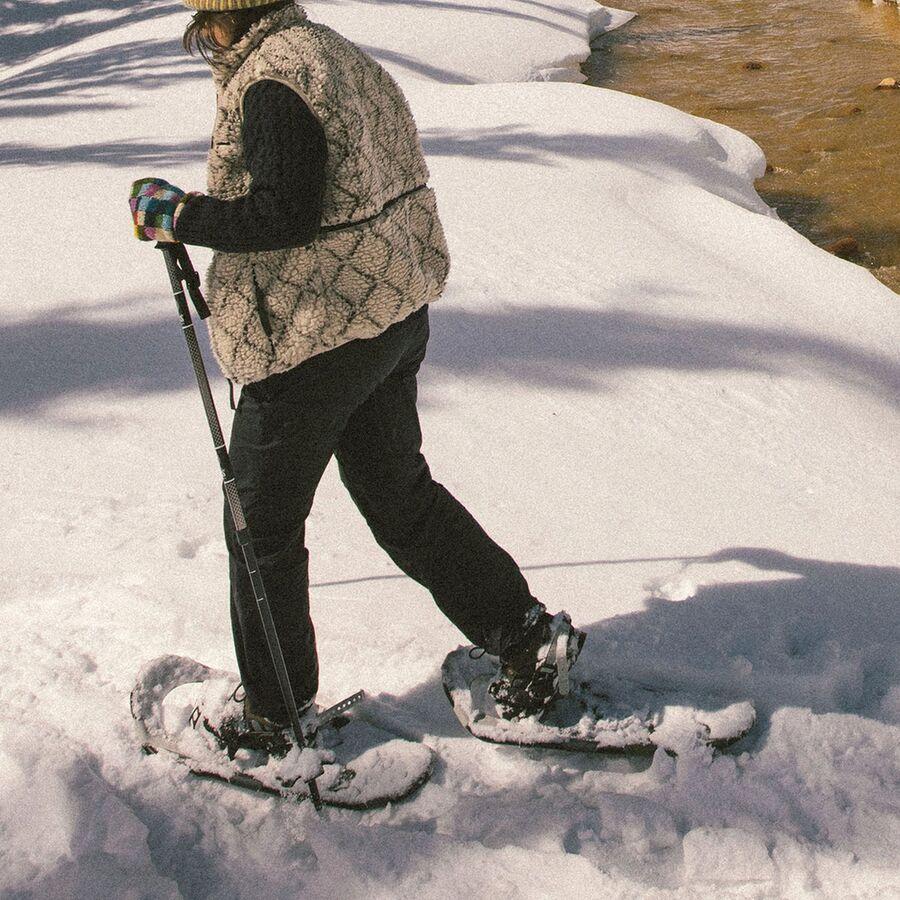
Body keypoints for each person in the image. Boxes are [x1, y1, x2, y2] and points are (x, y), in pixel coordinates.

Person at [128, 0, 584, 749]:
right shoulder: (327, 50)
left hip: (315, 338)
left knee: (260, 527)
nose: (202, 37)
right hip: (386, 313)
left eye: (205, 23)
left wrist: (179, 218)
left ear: (228, 16)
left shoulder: (272, 82)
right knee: (398, 496)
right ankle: (526, 639)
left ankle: (273, 720)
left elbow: (285, 215)